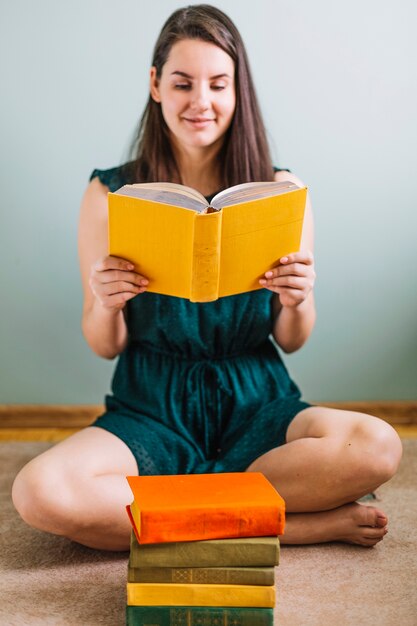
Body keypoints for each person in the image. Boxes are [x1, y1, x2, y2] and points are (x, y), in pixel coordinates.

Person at [12, 4, 402, 551]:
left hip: (256, 403)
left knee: (378, 445)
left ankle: (180, 510)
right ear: (155, 85)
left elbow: (293, 338)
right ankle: (286, 523)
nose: (202, 102)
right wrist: (104, 302)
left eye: (219, 84)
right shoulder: (108, 194)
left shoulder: (280, 190)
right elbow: (105, 345)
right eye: (183, 83)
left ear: (238, 90)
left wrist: (298, 299)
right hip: (151, 405)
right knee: (40, 491)